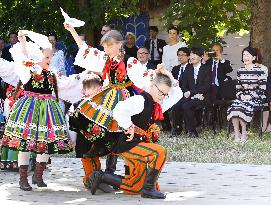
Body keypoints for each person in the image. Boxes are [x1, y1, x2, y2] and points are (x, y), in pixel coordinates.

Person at [0, 30, 91, 191]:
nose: (50, 60)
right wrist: (22, 42)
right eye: (47, 57)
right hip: (29, 109)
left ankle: (38, 175)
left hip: (48, 111)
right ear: (37, 57)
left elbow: (66, 84)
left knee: (46, 143)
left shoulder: (52, 75)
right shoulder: (28, 70)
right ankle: (23, 178)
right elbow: (23, 57)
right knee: (25, 144)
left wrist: (83, 76)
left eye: (51, 57)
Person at [88, 65, 182, 199]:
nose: (163, 97)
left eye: (165, 94)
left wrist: (168, 75)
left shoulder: (158, 104)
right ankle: (149, 189)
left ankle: (101, 176)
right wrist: (129, 126)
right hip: (129, 145)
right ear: (152, 86)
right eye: (161, 93)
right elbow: (119, 109)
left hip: (139, 145)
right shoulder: (140, 100)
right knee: (160, 152)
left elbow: (177, 94)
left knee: (134, 187)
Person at [227, 46, 267, 142]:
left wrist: (250, 96)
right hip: (243, 97)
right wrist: (242, 96)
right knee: (234, 106)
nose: (245, 57)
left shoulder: (260, 71)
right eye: (244, 55)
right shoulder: (240, 71)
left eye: (248, 55)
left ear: (253, 58)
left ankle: (244, 133)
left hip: (257, 97)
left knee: (242, 106)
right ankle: (237, 134)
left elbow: (262, 89)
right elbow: (238, 88)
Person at [181, 47, 212, 138]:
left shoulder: (206, 69)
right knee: (177, 104)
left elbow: (207, 86)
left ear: (201, 57)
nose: (192, 56)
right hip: (191, 95)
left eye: (195, 54)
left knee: (187, 105)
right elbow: (183, 85)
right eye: (191, 54)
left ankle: (192, 131)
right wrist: (190, 93)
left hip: (203, 96)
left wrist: (192, 92)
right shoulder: (188, 68)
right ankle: (176, 128)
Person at [171, 47, 190, 135]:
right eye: (179, 55)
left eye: (183, 55)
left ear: (188, 56)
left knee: (177, 105)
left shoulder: (191, 68)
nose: (180, 57)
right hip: (175, 93)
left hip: (187, 93)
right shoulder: (175, 68)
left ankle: (177, 128)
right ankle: (172, 127)